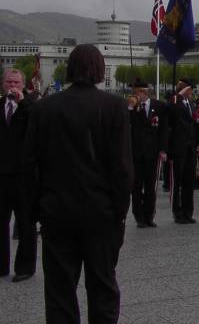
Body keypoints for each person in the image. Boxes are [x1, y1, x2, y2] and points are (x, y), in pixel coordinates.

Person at [24, 44, 133, 323]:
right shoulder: (114, 107)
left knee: (59, 292)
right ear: (98, 70)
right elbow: (121, 167)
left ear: (70, 69)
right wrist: (120, 212)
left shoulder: (44, 108)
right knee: (103, 288)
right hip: (101, 214)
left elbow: (31, 165)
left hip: (56, 213)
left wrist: (37, 210)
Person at [1, 68, 37, 282]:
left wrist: (22, 102)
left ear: (22, 85)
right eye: (8, 82)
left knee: (25, 222)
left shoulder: (30, 106)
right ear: (3, 84)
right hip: (2, 173)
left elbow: (37, 123)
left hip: (24, 176)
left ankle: (25, 267)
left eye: (16, 83)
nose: (12, 86)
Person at [128, 79, 168, 228]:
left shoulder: (158, 106)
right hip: (136, 153)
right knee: (137, 186)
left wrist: (163, 149)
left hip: (152, 152)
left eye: (138, 92)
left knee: (151, 186)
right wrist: (131, 108)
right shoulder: (132, 107)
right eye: (135, 93)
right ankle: (139, 216)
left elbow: (163, 129)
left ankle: (149, 215)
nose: (136, 95)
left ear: (145, 92)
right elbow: (126, 124)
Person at [166, 78, 199, 224]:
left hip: (190, 148)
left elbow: (195, 125)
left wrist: (198, 144)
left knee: (188, 182)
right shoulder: (175, 101)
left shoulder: (191, 104)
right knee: (177, 182)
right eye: (190, 89)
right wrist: (179, 96)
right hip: (178, 148)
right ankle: (177, 212)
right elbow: (172, 112)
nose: (191, 93)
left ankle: (188, 211)